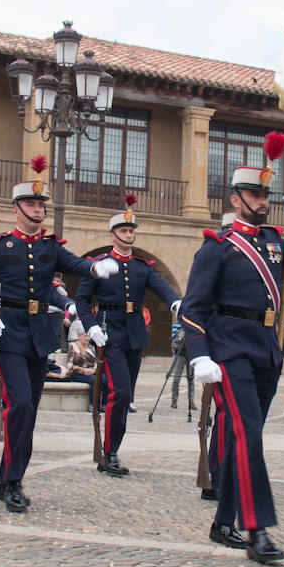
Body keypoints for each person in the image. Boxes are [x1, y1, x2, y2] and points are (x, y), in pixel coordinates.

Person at [180, 137, 284, 564]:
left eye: (266, 194)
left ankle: (222, 520)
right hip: (228, 351)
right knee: (247, 435)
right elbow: (192, 308)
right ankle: (256, 528)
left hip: (267, 349)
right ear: (234, 197)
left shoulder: (276, 240)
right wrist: (199, 354)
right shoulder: (217, 246)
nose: (261, 201)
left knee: (240, 436)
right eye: (253, 193)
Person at [0, 156, 115, 510]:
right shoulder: (0, 247)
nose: (37, 209)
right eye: (31, 203)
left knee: (29, 412)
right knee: (20, 404)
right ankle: (13, 480)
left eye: (40, 204)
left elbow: (73, 266)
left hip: (39, 337)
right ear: (16, 209)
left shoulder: (49, 248)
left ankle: (10, 477)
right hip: (9, 335)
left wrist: (94, 269)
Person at [75, 198, 181, 477]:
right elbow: (82, 300)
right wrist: (91, 326)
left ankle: (112, 450)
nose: (128, 235)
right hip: (109, 334)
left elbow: (162, 287)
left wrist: (176, 304)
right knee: (119, 392)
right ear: (112, 235)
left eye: (131, 231)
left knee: (127, 394)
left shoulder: (142, 267)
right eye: (123, 231)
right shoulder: (97, 265)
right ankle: (109, 452)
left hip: (134, 333)